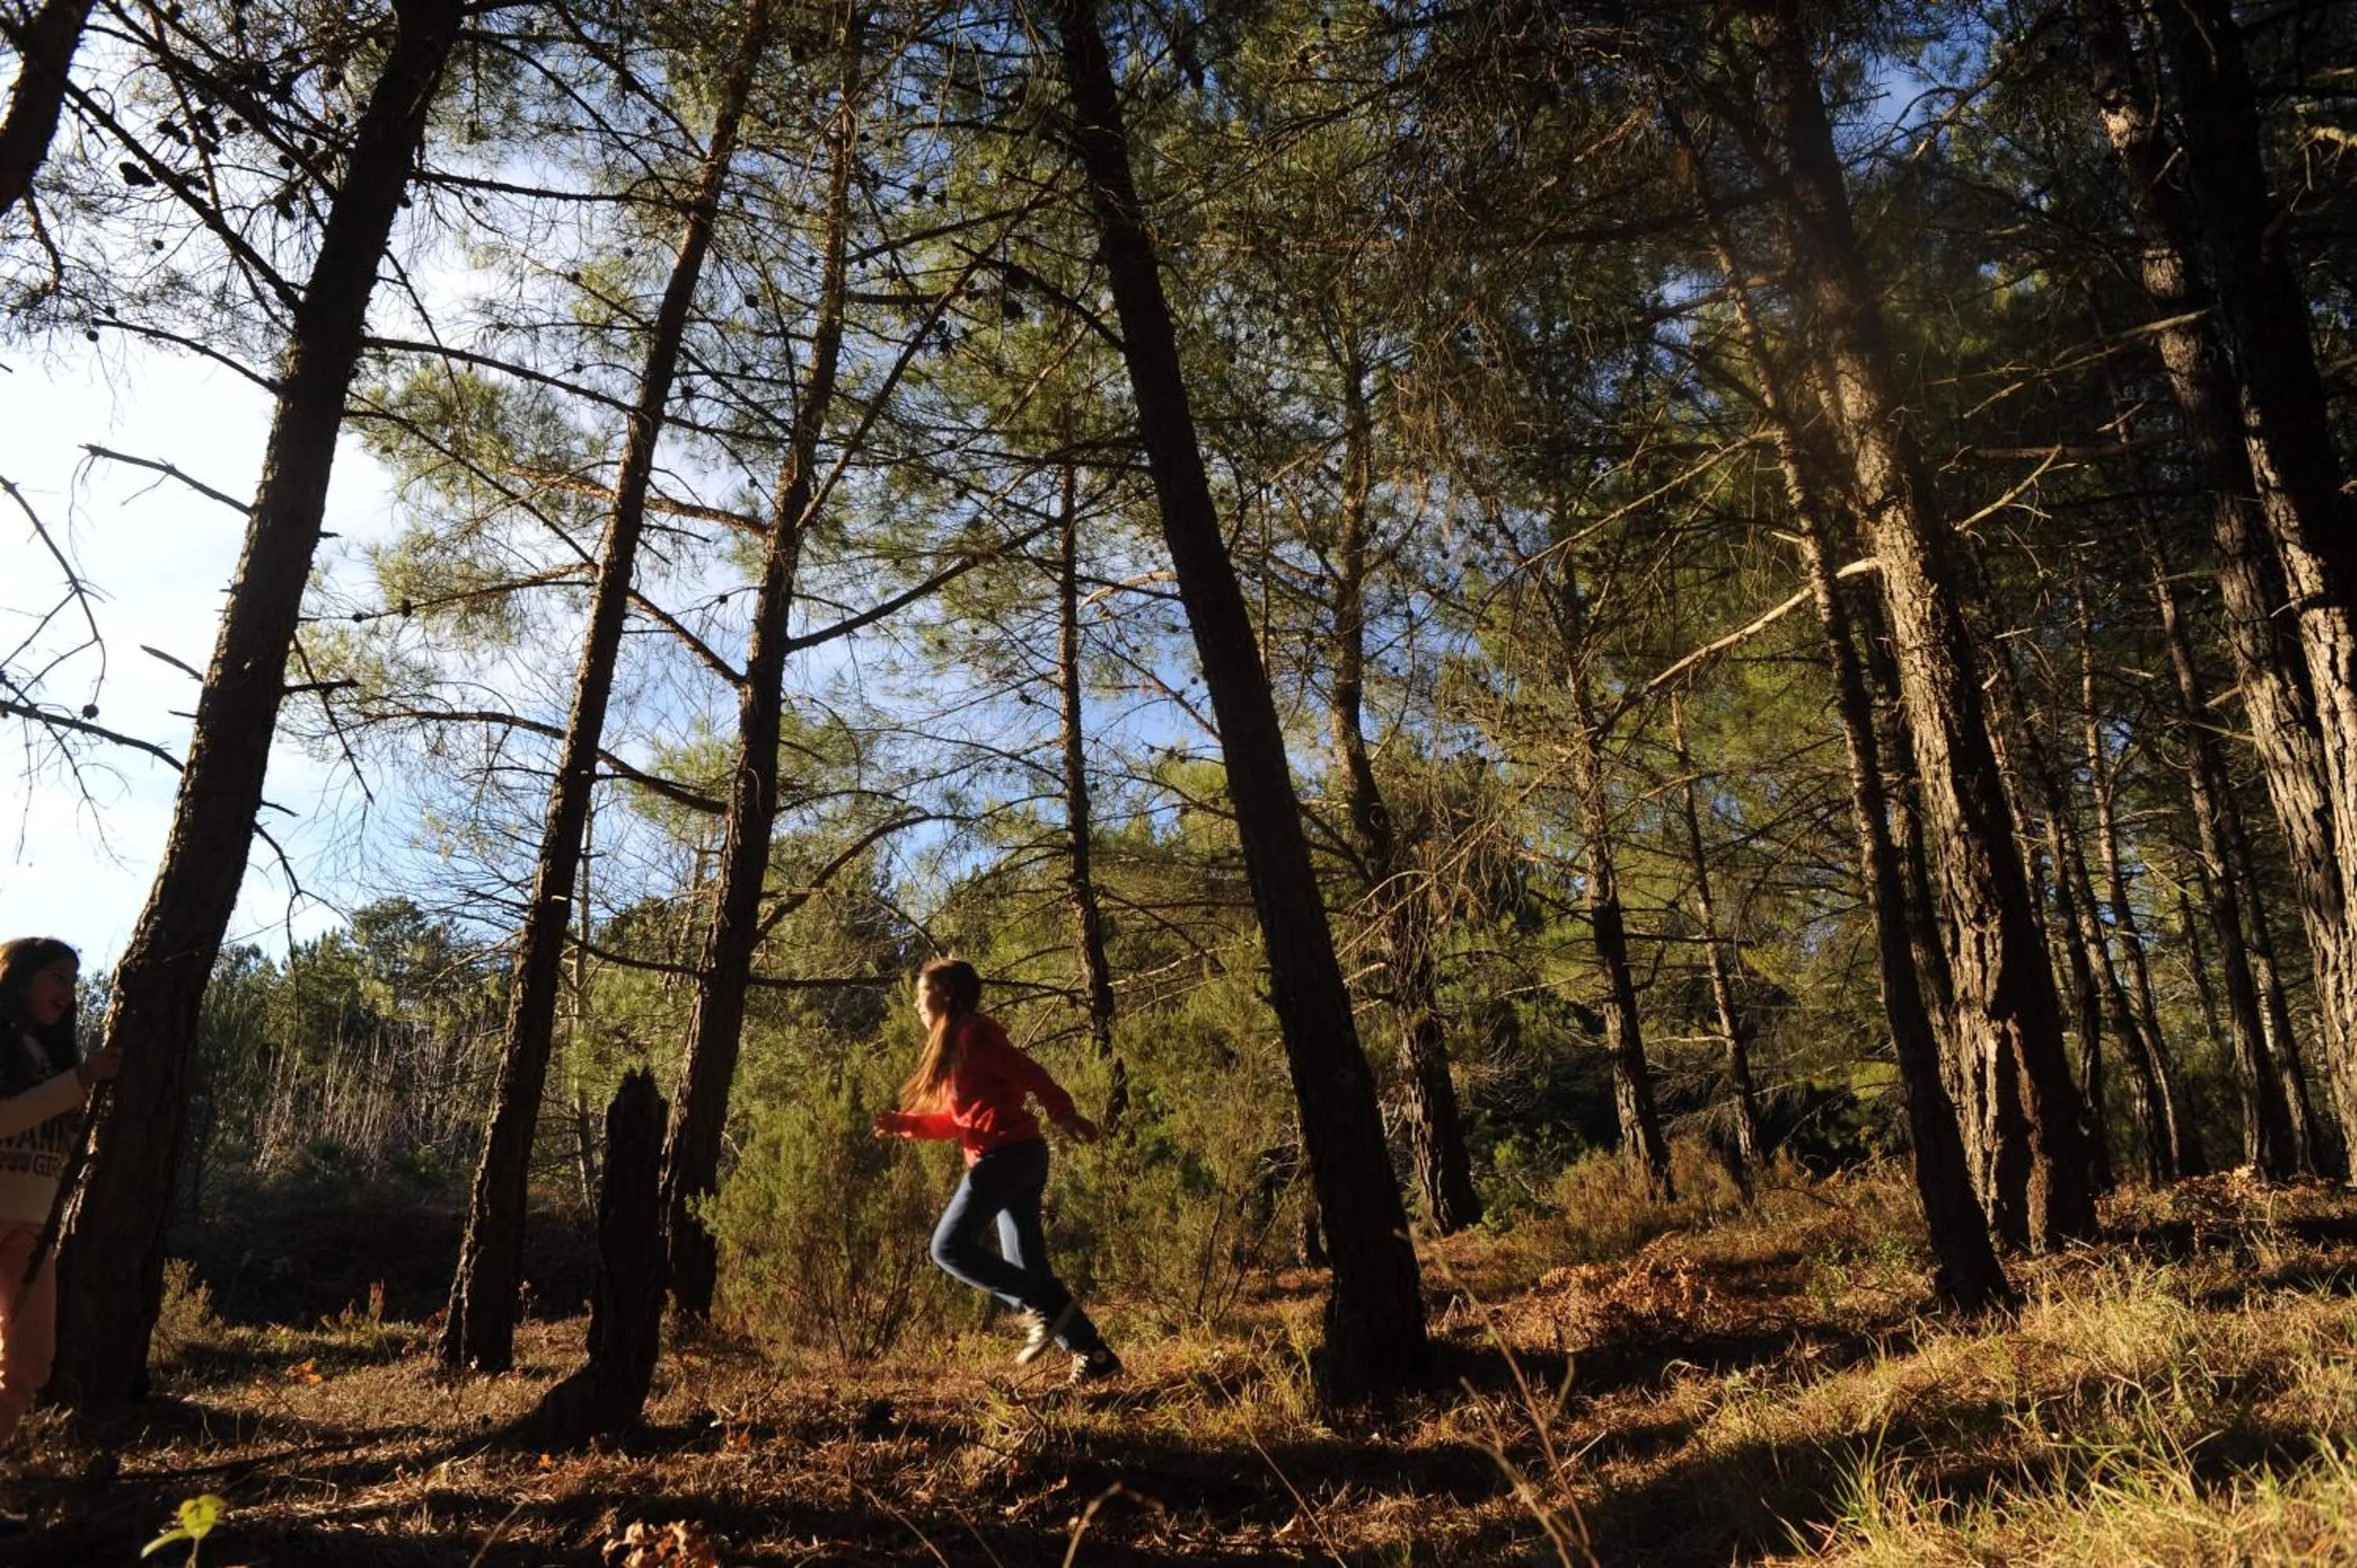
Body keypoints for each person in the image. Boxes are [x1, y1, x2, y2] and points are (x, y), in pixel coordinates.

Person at [872, 957, 1120, 1386]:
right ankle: (1094, 1355)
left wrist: (1063, 1112)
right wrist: (905, 1124)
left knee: (948, 1247)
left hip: (1007, 1157)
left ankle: (1044, 1302)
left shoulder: (974, 1035)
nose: (916, 1004)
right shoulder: (955, 1045)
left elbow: (1031, 1073)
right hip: (1015, 1157)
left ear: (946, 995)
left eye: (921, 994)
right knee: (1025, 1265)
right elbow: (957, 1122)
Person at [0, 938, 122, 1453]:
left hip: (33, 1223)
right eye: (55, 976)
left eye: (72, 981)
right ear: (18, 978)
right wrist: (81, 1080)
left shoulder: (53, 1059)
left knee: (31, 1360)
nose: (67, 991)